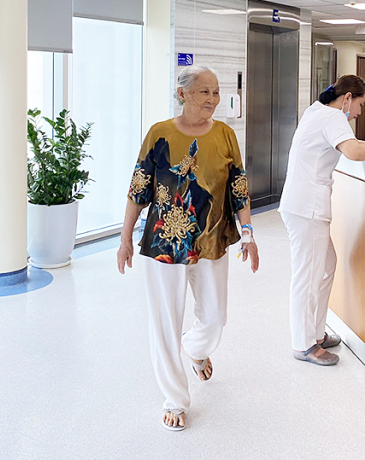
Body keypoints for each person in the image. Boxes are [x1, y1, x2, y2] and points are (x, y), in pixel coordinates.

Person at [117, 65, 259, 431]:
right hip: (164, 241)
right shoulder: (159, 134)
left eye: (215, 92)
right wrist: (124, 239)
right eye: (203, 92)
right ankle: (175, 398)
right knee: (165, 321)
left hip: (211, 239)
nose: (212, 99)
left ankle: (196, 349)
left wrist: (249, 233)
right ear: (183, 94)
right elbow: (139, 188)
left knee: (215, 318)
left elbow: (238, 187)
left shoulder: (225, 135)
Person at [278, 75, 365, 366]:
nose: (358, 112)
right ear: (347, 98)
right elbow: (353, 150)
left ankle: (316, 333)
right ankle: (304, 344)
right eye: (360, 104)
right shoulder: (333, 117)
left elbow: (350, 144)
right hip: (307, 207)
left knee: (326, 266)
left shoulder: (317, 110)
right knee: (308, 275)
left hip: (302, 204)